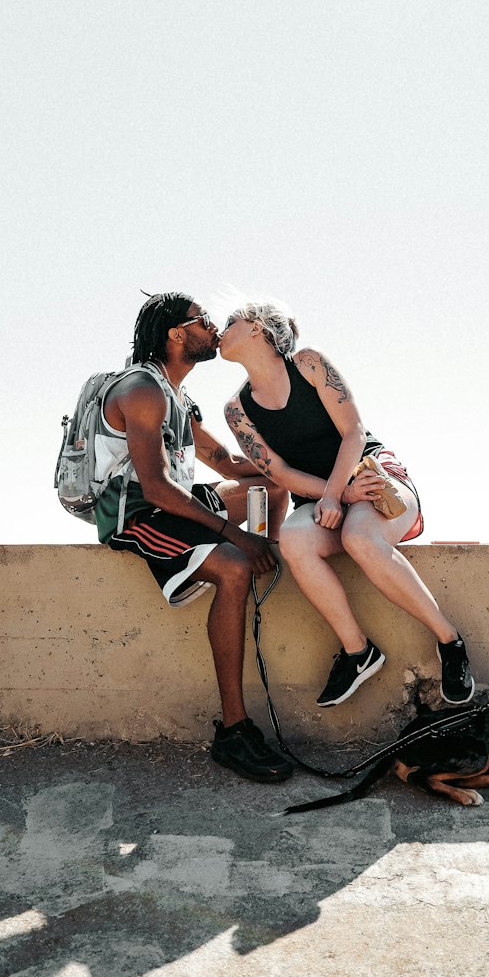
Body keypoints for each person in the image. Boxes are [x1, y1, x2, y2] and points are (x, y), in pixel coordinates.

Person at [220, 299, 475, 709]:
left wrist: (342, 492)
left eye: (230, 321)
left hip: (374, 477)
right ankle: (358, 652)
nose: (220, 330)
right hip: (323, 498)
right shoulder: (237, 411)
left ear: (257, 328)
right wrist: (333, 494)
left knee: (360, 535)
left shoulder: (309, 364)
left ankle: (449, 640)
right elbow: (280, 474)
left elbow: (353, 432)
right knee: (294, 540)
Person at [95, 291, 293, 783]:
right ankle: (233, 730)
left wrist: (297, 469)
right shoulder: (142, 389)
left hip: (174, 502)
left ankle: (261, 558)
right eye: (203, 320)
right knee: (233, 564)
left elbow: (225, 464)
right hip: (137, 514)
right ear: (176, 334)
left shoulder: (178, 396)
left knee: (269, 488)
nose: (212, 326)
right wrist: (237, 539)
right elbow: (157, 488)